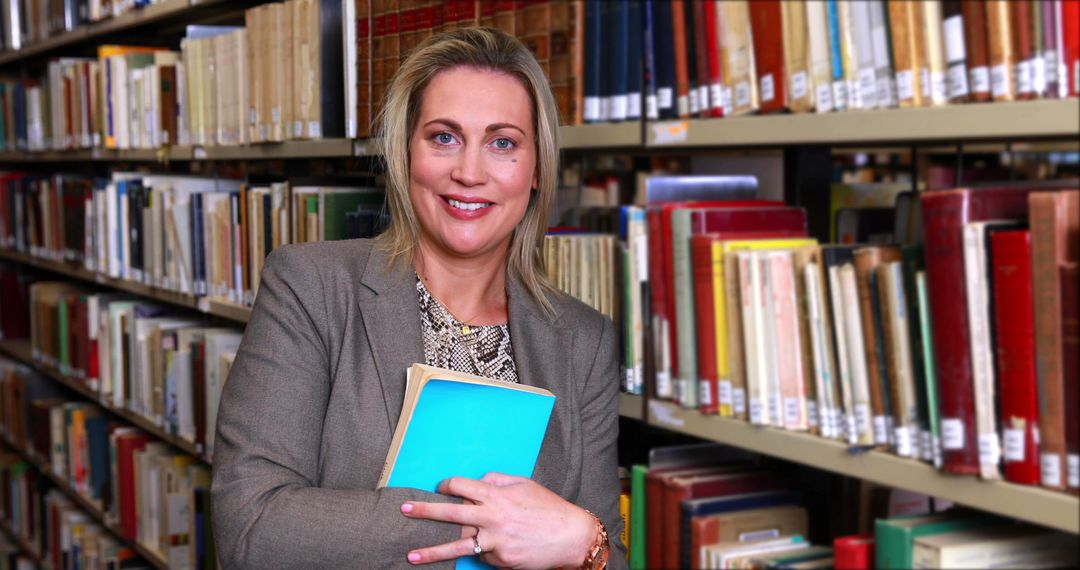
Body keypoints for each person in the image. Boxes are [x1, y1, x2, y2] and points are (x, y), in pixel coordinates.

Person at [211, 27, 625, 569]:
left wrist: (583, 544)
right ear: (406, 155)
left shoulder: (583, 340)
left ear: (537, 170)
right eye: (443, 137)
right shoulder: (312, 287)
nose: (469, 173)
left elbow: (606, 553)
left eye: (503, 143)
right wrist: (495, 524)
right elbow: (250, 529)